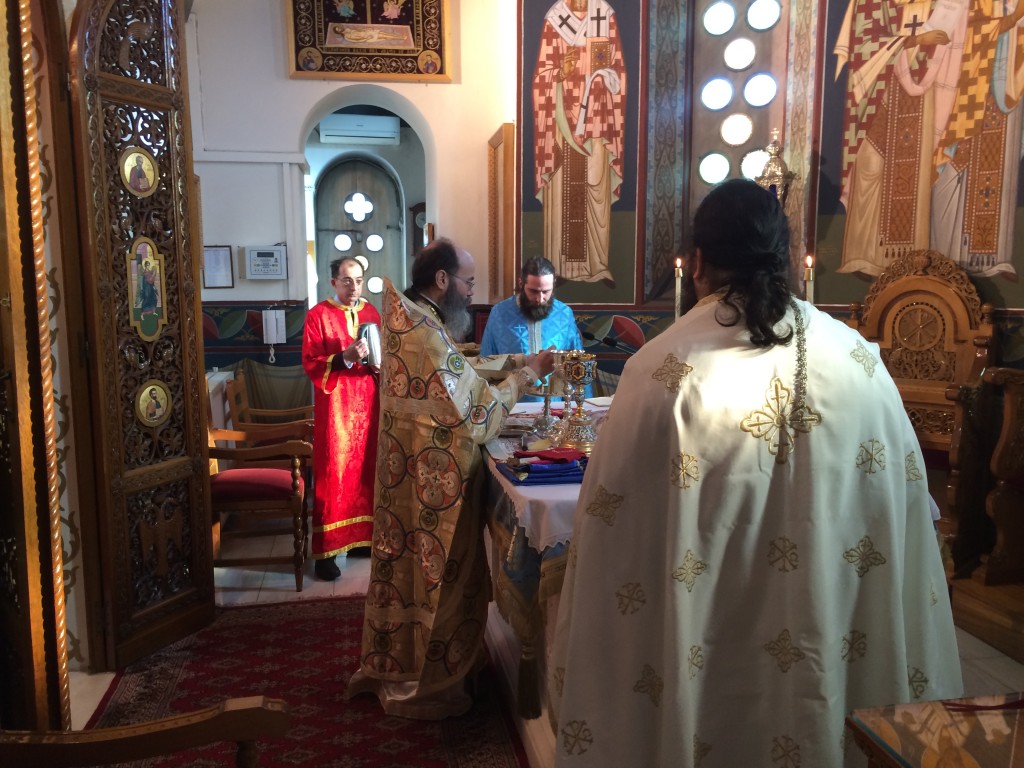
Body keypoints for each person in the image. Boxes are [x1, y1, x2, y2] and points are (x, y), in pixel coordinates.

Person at [548, 179, 963, 766]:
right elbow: (903, 513)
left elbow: (615, 542)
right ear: (788, 255)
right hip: (833, 626)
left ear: (698, 263)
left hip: (704, 640)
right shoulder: (858, 362)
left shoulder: (662, 371)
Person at [345, 239, 555, 719]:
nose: (472, 291)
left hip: (411, 472)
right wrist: (527, 377)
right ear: (442, 279)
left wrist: (515, 363)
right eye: (469, 281)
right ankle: (432, 681)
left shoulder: (413, 320)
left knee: (411, 574)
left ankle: (407, 663)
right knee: (437, 580)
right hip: (436, 488)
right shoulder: (423, 331)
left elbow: (458, 368)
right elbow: (477, 415)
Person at [834, 0, 1022, 279]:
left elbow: (964, 27)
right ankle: (864, 256)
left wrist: (1011, 18)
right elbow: (864, 38)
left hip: (921, 84)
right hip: (880, 93)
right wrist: (916, 39)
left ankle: (911, 259)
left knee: (917, 174)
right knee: (871, 166)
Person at [533, 0, 626, 285]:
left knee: (595, 186)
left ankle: (597, 265)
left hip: (597, 119)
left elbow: (618, 71)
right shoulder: (556, 18)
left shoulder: (604, 15)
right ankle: (559, 268)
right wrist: (561, 73)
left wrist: (606, 79)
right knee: (563, 191)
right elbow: (541, 77)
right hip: (562, 121)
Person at [301, 257, 380, 581]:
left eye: (358, 280)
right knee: (334, 473)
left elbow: (382, 354)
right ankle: (327, 553)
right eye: (347, 281)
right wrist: (344, 357)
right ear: (333, 282)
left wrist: (380, 363)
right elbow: (311, 361)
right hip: (336, 409)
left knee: (366, 471)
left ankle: (361, 540)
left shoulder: (371, 313)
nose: (354, 287)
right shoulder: (318, 315)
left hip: (369, 405)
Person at [480, 255, 588, 402]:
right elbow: (487, 362)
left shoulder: (564, 314)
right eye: (533, 291)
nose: (540, 299)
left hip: (554, 406)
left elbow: (578, 364)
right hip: (511, 404)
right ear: (521, 284)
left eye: (546, 292)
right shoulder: (499, 313)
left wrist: (581, 406)